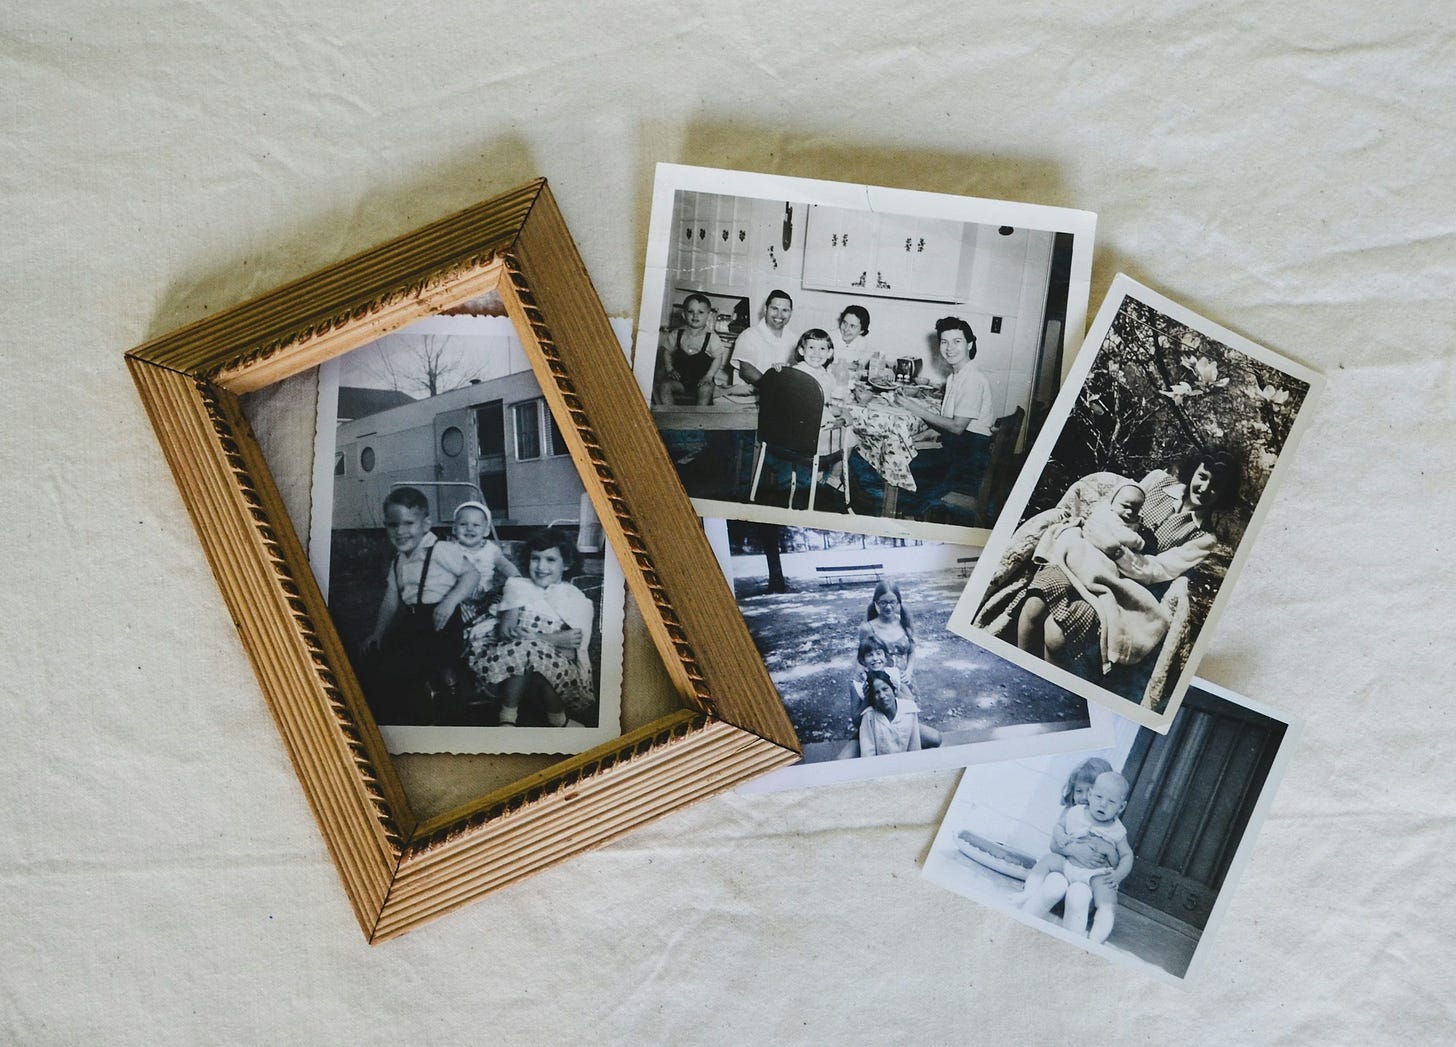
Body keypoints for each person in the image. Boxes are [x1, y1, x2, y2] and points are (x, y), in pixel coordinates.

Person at [1007, 446, 1242, 675]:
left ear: (1225, 493)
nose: (1204, 487)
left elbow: (1156, 570)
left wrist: (1116, 552)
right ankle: (1017, 670)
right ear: (1194, 471)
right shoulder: (1158, 480)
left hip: (1124, 588)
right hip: (1086, 554)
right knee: (1034, 607)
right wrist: (1098, 534)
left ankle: (1044, 686)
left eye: (1216, 486)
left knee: (1055, 635)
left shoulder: (1204, 538)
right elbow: (1114, 504)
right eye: (1202, 476)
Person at [1017, 483, 1170, 669]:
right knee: (1033, 607)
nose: (1129, 512)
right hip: (1074, 561)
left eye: (1135, 509)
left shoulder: (1136, 530)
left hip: (1102, 575)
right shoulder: (1102, 514)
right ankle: (1019, 660)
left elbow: (1136, 560)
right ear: (1113, 502)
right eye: (1125, 505)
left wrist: (1127, 547)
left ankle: (1044, 675)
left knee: (1056, 636)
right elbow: (1095, 530)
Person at [361, 487, 479, 724]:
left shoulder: (441, 550)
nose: (400, 531)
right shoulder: (398, 561)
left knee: (403, 669)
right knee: (375, 659)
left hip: (442, 624)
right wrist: (379, 632)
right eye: (393, 525)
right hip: (414, 623)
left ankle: (441, 702)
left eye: (408, 523)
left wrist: (449, 602)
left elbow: (471, 575)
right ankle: (394, 713)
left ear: (426, 524)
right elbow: (391, 599)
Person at [477, 527, 594, 727]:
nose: (541, 566)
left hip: (555, 672)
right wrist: (548, 639)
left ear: (566, 564)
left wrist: (536, 640)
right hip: (512, 668)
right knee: (525, 650)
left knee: (532, 650)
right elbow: (506, 633)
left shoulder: (574, 598)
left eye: (550, 560)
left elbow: (571, 650)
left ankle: (558, 718)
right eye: (535, 558)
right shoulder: (518, 587)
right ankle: (507, 717)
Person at [891, 316, 997, 515]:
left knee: (903, 462)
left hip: (969, 458)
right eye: (944, 342)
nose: (949, 348)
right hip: (961, 447)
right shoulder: (955, 376)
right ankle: (907, 510)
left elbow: (957, 427)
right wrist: (924, 434)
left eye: (957, 341)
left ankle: (906, 515)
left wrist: (914, 408)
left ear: (970, 344)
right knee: (905, 454)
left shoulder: (972, 379)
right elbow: (951, 424)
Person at [1022, 771, 1135, 944]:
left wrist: (1118, 874)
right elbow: (1059, 827)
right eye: (1098, 796)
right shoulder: (1075, 813)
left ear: (1121, 807)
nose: (1103, 804)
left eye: (1111, 801)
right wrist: (1060, 835)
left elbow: (1127, 855)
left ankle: (1096, 938)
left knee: (1108, 899)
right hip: (1067, 865)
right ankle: (1028, 891)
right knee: (1048, 860)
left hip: (1093, 875)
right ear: (1090, 795)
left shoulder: (1118, 831)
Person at [999, 757, 1114, 904]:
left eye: (1090, 792)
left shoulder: (1107, 822)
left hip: (1086, 876)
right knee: (1048, 860)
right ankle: (1028, 891)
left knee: (1091, 891)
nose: (1084, 797)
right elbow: (1054, 845)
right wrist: (1073, 850)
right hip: (1064, 868)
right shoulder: (1070, 812)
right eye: (1079, 791)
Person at [449, 500, 520, 687]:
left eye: (476, 525)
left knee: (501, 602)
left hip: (485, 596)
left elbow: (505, 565)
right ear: (454, 529)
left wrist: (515, 577)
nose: (469, 528)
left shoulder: (491, 550)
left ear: (486, 530)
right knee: (456, 615)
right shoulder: (450, 550)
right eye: (463, 524)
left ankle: (487, 629)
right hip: (461, 596)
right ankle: (466, 642)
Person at [653, 292, 729, 405]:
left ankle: (699, 419)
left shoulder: (712, 337)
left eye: (700, 312)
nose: (695, 316)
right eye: (690, 312)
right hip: (681, 381)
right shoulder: (677, 334)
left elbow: (718, 357)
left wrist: (709, 376)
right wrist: (670, 369)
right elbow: (667, 352)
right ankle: (671, 414)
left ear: (708, 316)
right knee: (664, 386)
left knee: (706, 389)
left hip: (702, 381)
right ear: (684, 314)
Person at [729, 289, 798, 385]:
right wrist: (769, 387)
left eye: (785, 310)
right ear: (765, 309)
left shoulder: (794, 340)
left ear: (791, 313)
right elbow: (746, 370)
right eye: (774, 309)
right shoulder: (749, 335)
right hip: (749, 395)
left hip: (779, 394)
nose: (779, 315)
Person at [856, 669, 922, 756]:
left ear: (893, 690)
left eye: (885, 689)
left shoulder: (909, 710)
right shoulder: (869, 717)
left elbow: (915, 746)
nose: (882, 696)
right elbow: (867, 752)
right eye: (877, 692)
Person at [829, 304, 874, 373]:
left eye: (852, 326)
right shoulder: (829, 338)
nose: (846, 329)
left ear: (861, 331)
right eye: (844, 323)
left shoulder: (862, 343)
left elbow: (860, 366)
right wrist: (847, 366)